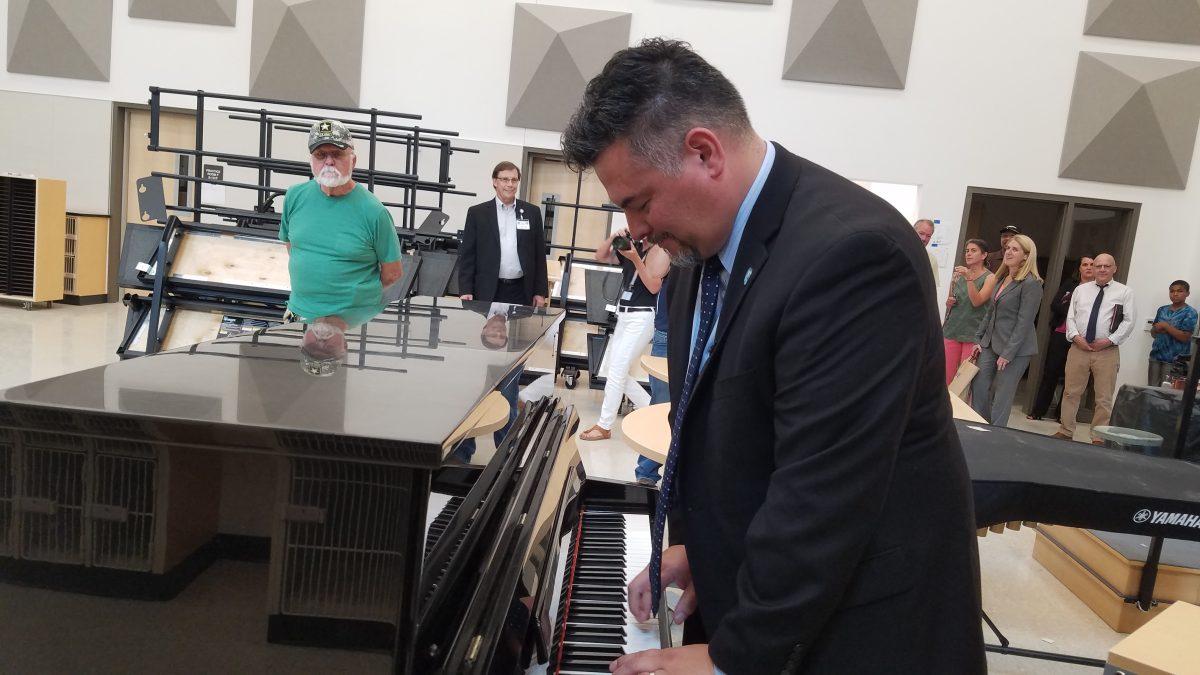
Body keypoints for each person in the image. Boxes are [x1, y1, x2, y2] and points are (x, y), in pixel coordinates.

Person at [561, 38, 983, 674]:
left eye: (639, 202)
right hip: (774, 599)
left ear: (704, 152)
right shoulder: (697, 251)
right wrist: (704, 550)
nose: (636, 229)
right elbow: (730, 435)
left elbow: (823, 496)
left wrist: (734, 659)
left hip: (857, 632)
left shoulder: (854, 254)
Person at [279, 119, 403, 327]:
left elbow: (393, 273)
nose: (328, 162)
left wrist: (354, 300)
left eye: (336, 154)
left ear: (353, 160)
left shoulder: (374, 212)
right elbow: (293, 247)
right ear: (311, 160)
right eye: (321, 155)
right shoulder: (294, 196)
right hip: (299, 316)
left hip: (352, 325)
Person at [578, 232, 671, 441]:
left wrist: (636, 259)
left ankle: (604, 426)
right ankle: (652, 410)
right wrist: (613, 237)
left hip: (643, 316)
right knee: (612, 369)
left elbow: (654, 286)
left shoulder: (661, 250)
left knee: (618, 369)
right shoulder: (633, 246)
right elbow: (600, 256)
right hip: (624, 314)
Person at [1054, 253, 1136, 443]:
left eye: (1107, 266)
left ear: (1114, 269)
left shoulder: (1125, 292)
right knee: (1071, 392)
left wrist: (1109, 340)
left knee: (1103, 397)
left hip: (1107, 351)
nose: (1102, 269)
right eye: (1098, 266)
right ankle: (1066, 431)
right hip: (1079, 348)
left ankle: (1099, 436)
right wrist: (1075, 336)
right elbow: (1071, 317)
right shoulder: (1081, 290)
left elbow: (1129, 322)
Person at [970, 235, 1043, 426]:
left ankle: (997, 435)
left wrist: (1008, 353)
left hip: (1016, 350)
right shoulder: (1002, 277)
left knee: (1002, 394)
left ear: (1026, 256)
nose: (1009, 252)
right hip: (990, 343)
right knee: (979, 386)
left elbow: (1024, 323)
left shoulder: (1031, 283)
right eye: (1008, 248)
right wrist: (978, 339)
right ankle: (981, 426)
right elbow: (990, 312)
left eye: (1015, 249)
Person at [457, 161, 549, 307]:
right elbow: (468, 255)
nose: (510, 184)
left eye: (514, 180)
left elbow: (539, 255)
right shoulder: (478, 213)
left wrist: (540, 291)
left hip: (521, 290)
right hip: (487, 289)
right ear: (495, 181)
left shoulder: (532, 212)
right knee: (487, 330)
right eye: (505, 179)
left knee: (518, 330)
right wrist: (465, 289)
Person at [1028, 257, 1094, 420]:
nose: (1088, 267)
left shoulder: (1098, 290)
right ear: (1079, 268)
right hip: (1061, 333)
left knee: (1073, 377)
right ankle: (1038, 411)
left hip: (1083, 339)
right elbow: (1055, 304)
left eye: (1092, 265)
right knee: (1051, 372)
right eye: (1085, 264)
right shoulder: (1070, 285)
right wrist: (1074, 311)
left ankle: (1062, 415)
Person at [942, 238, 996, 385]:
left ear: (984, 255)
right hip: (952, 330)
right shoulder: (958, 274)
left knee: (964, 381)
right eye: (967, 251)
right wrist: (949, 302)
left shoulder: (990, 277)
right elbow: (950, 302)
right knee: (946, 378)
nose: (968, 254)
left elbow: (977, 301)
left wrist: (969, 278)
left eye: (973, 251)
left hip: (972, 333)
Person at [635, 272, 671, 485]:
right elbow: (654, 284)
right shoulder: (665, 249)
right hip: (667, 329)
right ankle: (646, 473)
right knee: (661, 404)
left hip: (695, 326)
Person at [1148, 280, 1197, 386]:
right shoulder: (1162, 309)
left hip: (1175, 360)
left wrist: (1166, 326)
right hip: (1156, 356)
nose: (1175, 294)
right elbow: (1153, 333)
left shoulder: (1190, 312)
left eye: (1180, 291)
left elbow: (1185, 337)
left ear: (1187, 293)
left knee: (1167, 393)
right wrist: (1156, 329)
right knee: (1151, 390)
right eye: (1172, 291)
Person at [914, 218, 938, 283]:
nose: (924, 238)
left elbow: (932, 287)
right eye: (921, 233)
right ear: (912, 232)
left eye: (928, 236)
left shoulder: (932, 260)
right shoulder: (900, 251)